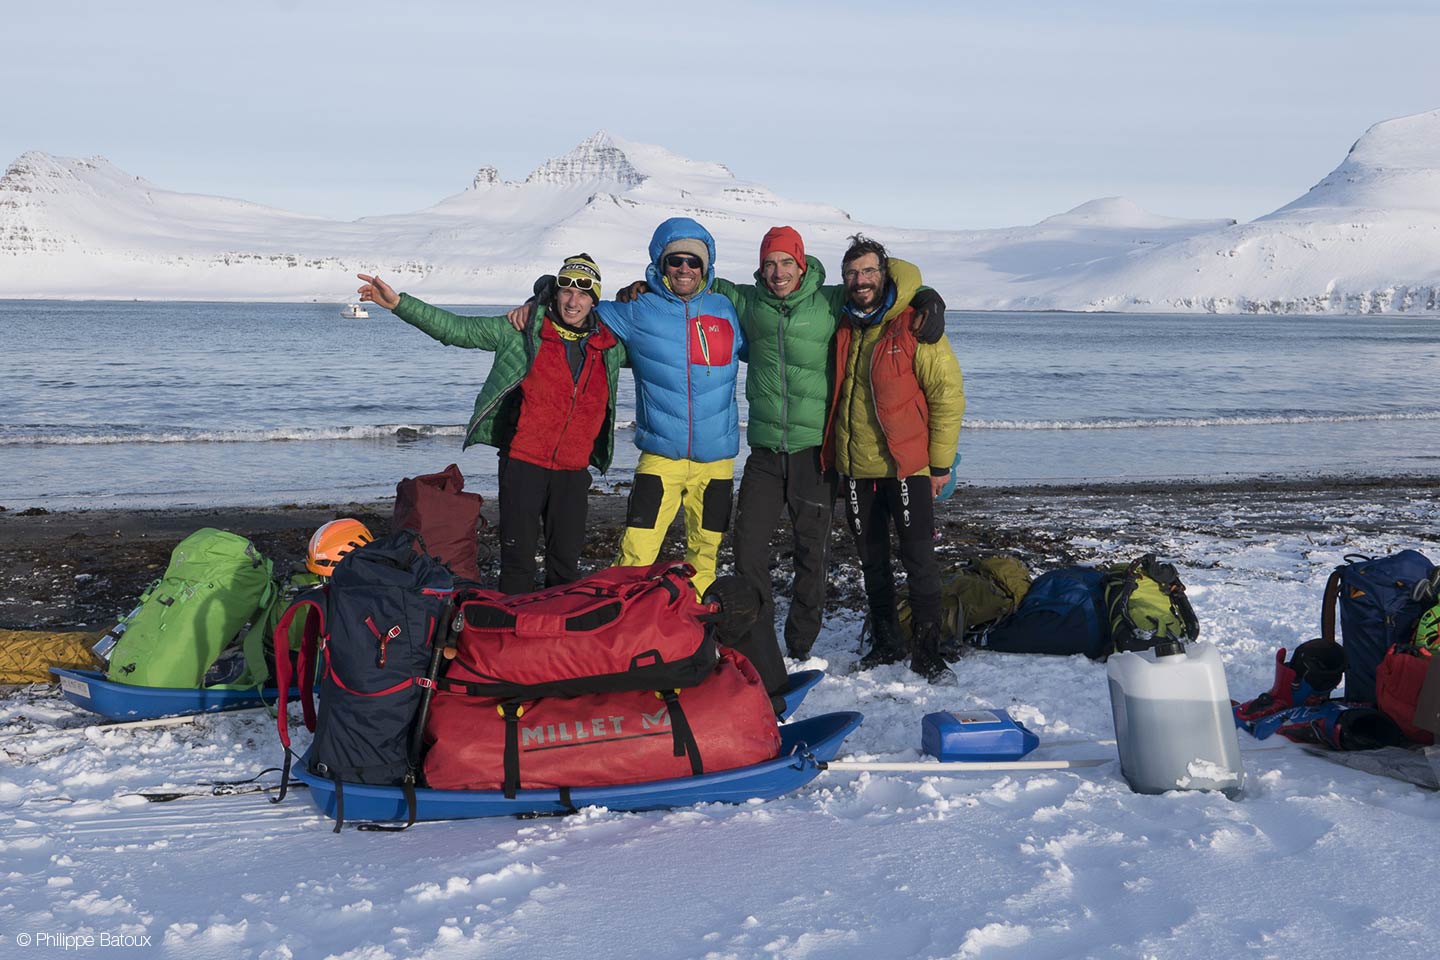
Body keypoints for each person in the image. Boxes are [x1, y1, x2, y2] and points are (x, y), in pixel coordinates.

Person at [709, 227, 948, 670]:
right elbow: (698, 280)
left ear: (802, 265)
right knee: (746, 548)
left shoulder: (828, 299)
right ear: (760, 268)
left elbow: (888, 288)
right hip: (764, 448)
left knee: (811, 551)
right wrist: (641, 286)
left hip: (814, 451)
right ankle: (759, 639)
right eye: (769, 263)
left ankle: (800, 644)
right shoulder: (746, 301)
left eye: (786, 262)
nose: (778, 272)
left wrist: (928, 297)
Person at [357, 255, 626, 594]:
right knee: (517, 564)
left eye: (583, 294)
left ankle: (558, 639)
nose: (573, 301)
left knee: (565, 566)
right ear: (555, 293)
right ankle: (511, 638)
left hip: (573, 470)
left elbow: (664, 343)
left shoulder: (609, 346)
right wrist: (399, 304)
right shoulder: (521, 330)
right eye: (566, 291)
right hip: (523, 464)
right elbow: (458, 330)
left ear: (594, 299)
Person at [509, 218, 744, 601]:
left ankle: (700, 624)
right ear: (661, 264)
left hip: (718, 459)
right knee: (636, 552)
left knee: (706, 552)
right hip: (661, 456)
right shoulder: (637, 309)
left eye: (693, 261)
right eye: (675, 260)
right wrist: (537, 299)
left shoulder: (726, 309)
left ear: (706, 267)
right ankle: (623, 623)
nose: (685, 268)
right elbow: (576, 307)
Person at [821, 234, 965, 684]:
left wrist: (941, 465)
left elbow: (947, 394)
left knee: (919, 559)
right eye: (851, 273)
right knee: (872, 561)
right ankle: (886, 643)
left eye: (868, 271)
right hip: (858, 470)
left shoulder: (913, 325)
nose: (860, 280)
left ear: (885, 273)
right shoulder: (843, 324)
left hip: (908, 469)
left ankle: (927, 650)